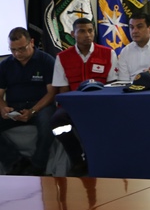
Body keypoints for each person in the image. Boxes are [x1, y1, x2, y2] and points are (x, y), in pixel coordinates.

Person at [51, 18, 119, 176]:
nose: (87, 35)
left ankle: (104, 161)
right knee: (56, 122)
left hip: (101, 104)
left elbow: (113, 85)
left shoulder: (108, 53)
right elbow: (63, 89)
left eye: (90, 30)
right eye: (82, 31)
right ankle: (78, 159)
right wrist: (72, 107)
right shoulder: (62, 57)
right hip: (73, 105)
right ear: (72, 34)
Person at [0, 28, 56, 176]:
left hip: (40, 105)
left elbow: (51, 93)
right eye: (13, 50)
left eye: (21, 49)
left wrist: (33, 111)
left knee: (47, 125)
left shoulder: (46, 60)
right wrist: (3, 108)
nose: (17, 54)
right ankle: (15, 162)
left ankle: (38, 165)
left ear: (31, 42)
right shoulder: (5, 65)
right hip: (14, 106)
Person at [117, 12, 150, 81]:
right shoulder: (125, 51)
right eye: (132, 27)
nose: (134, 31)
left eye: (139, 27)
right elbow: (123, 81)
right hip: (133, 87)